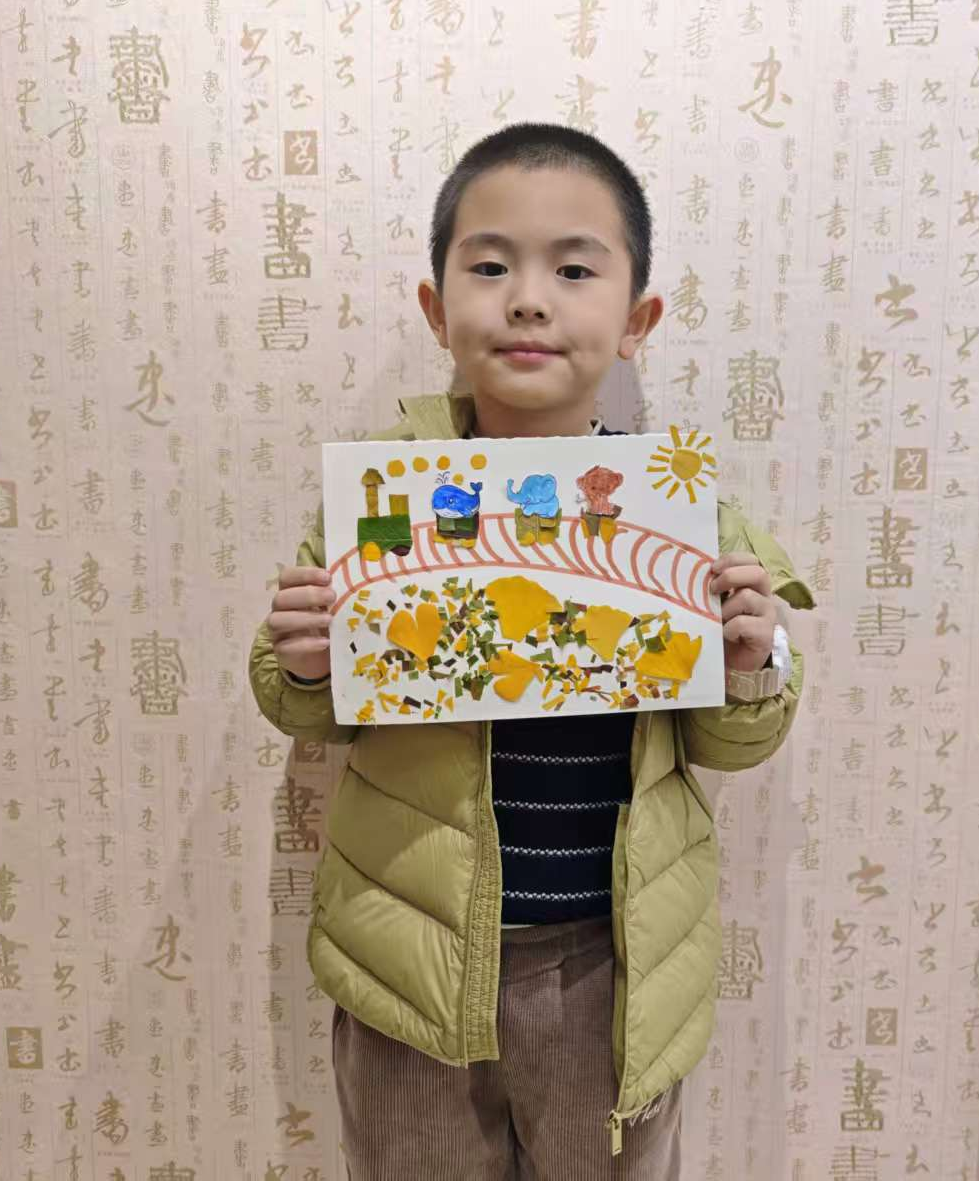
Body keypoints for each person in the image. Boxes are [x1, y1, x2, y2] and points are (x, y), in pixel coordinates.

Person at [249, 123, 814, 1179]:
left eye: (573, 270)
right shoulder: (384, 497)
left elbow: (732, 742)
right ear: (436, 309)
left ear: (637, 321)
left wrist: (751, 664)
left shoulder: (676, 509)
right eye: (491, 266)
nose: (528, 300)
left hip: (615, 965)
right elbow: (302, 704)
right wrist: (306, 661)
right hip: (410, 959)